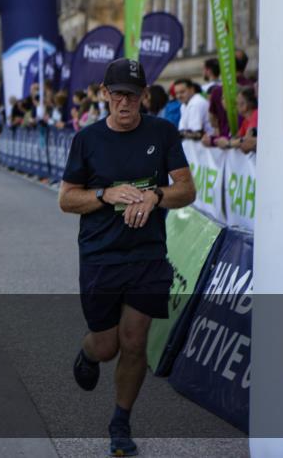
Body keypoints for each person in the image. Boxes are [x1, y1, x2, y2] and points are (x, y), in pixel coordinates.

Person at [58, 58, 196, 457]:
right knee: (108, 347)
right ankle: (88, 352)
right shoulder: (87, 140)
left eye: (132, 96)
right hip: (101, 255)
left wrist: (155, 196)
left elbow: (186, 191)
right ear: (105, 95)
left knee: (134, 343)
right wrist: (105, 195)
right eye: (118, 95)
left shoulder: (163, 133)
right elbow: (67, 199)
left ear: (143, 97)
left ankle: (121, 421)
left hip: (147, 254)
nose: (125, 103)